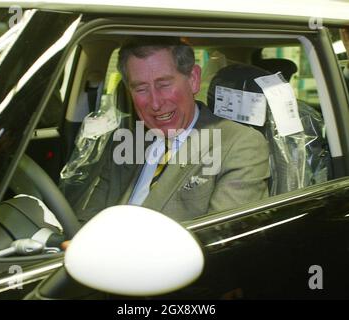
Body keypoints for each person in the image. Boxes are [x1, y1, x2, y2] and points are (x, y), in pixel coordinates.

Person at [75, 37, 270, 224]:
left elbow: (221, 239)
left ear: (193, 79)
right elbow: (90, 218)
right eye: (141, 89)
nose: (155, 103)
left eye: (164, 85)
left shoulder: (240, 144)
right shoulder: (127, 142)